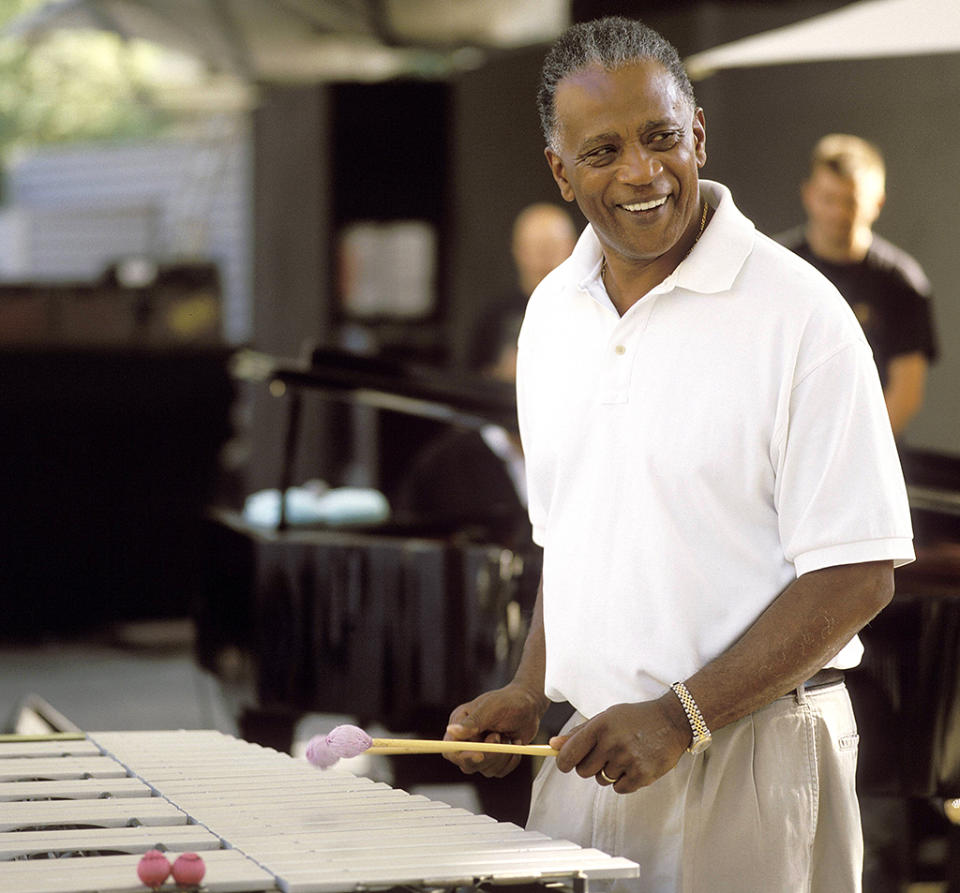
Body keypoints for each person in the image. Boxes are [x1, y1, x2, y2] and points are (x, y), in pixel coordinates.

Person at [442, 16, 914, 893]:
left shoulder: (804, 316)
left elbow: (860, 573)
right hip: (586, 759)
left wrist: (678, 717)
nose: (640, 172)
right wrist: (530, 685)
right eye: (603, 150)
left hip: (757, 761)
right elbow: (571, 537)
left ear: (698, 132)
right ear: (560, 170)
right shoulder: (549, 314)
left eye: (661, 137)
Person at [780, 134, 938, 436]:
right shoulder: (777, 268)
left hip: (866, 446)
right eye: (829, 199)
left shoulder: (903, 283)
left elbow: (905, 395)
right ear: (809, 195)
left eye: (850, 201)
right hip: (783, 446)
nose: (839, 213)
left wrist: (858, 453)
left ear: (876, 201)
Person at [469, 203, 576, 370]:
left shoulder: (593, 310)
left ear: (572, 249)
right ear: (518, 250)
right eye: (536, 248)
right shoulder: (493, 317)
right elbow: (472, 376)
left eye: (552, 248)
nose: (544, 258)